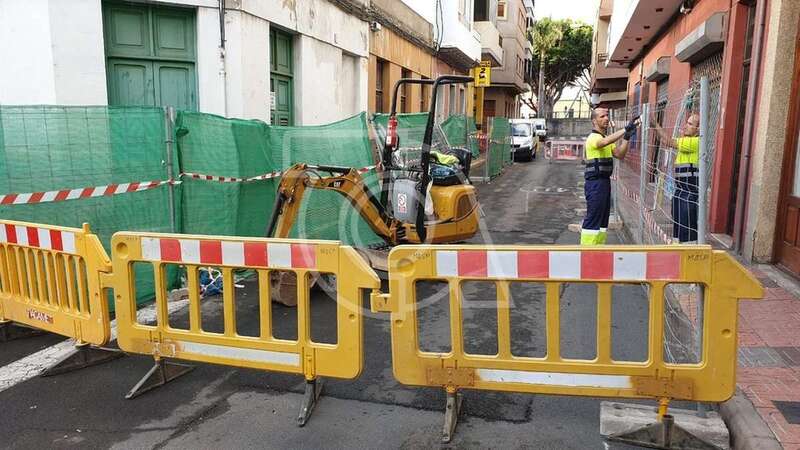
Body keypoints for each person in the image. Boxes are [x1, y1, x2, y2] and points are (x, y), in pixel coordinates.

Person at [581, 108, 639, 245]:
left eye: (607, 115)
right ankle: (586, 250)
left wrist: (626, 138)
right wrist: (625, 129)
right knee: (593, 217)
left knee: (602, 220)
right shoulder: (594, 138)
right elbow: (603, 143)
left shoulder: (606, 138)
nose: (606, 118)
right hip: (595, 184)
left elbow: (619, 154)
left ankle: (599, 248)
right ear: (594, 121)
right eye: (602, 116)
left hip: (604, 183)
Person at [652, 112, 700, 243]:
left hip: (689, 193)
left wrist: (655, 124)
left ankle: (690, 252)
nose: (685, 126)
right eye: (686, 123)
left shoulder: (695, 142)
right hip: (680, 191)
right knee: (678, 228)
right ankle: (677, 247)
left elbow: (668, 141)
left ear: (698, 129)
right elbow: (664, 141)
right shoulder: (686, 141)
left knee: (687, 228)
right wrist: (654, 127)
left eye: (690, 124)